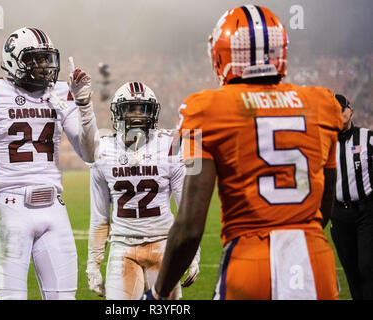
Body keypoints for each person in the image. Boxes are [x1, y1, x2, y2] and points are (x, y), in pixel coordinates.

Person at [143, 5, 343, 300]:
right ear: (280, 51)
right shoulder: (323, 104)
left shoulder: (204, 109)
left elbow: (189, 226)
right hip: (315, 262)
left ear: (222, 54)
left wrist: (158, 295)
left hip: (251, 263)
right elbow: (326, 200)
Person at [0, 27, 99, 300]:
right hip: (12, 209)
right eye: (36, 59)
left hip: (54, 208)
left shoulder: (59, 93)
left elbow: (90, 154)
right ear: (14, 60)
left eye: (47, 59)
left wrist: (85, 107)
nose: (45, 67)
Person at [87, 81, 200, 300]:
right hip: (123, 247)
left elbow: (186, 208)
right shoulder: (103, 149)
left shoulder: (171, 145)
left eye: (144, 109)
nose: (138, 115)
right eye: (131, 109)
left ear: (154, 113)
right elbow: (99, 217)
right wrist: (93, 264)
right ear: (118, 113)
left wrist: (192, 254)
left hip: (164, 245)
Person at [330, 94, 373, 300]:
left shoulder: (368, 138)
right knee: (351, 271)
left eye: (342, 109)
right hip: (339, 215)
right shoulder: (325, 144)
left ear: (350, 110)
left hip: (366, 212)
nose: (339, 114)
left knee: (367, 266)